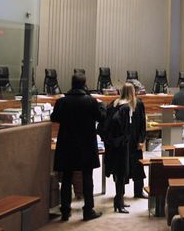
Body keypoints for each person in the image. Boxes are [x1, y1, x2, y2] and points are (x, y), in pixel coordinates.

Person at [51, 74, 104, 222]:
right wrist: (101, 106)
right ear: (84, 84)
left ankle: (65, 211)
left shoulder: (61, 101)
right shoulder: (91, 101)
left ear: (72, 83)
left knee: (67, 178)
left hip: (67, 144)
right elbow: (101, 118)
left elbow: (54, 118)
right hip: (86, 145)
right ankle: (88, 210)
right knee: (87, 177)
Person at [101, 84, 133, 213]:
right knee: (121, 173)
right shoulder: (127, 107)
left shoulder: (113, 104)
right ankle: (118, 202)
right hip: (121, 145)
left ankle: (119, 200)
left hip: (111, 144)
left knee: (116, 172)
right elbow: (126, 128)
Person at [124, 82, 148, 199]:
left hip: (135, 140)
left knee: (138, 167)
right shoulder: (118, 104)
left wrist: (141, 140)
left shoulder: (138, 104)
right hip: (123, 142)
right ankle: (120, 193)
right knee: (123, 167)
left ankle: (138, 191)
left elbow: (143, 124)